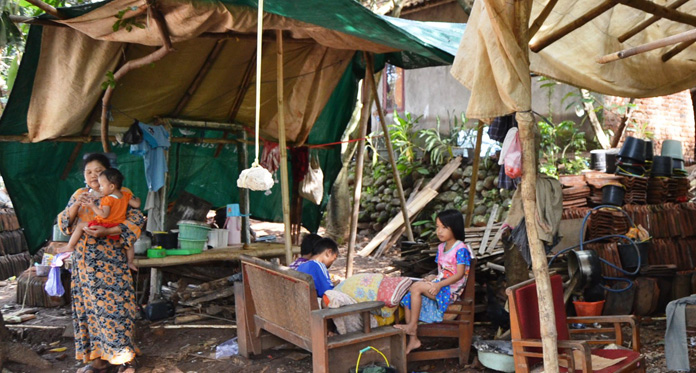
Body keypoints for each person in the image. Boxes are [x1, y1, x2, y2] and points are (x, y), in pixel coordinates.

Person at [57, 153, 145, 373]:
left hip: (111, 263)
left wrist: (108, 230)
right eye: (88, 172)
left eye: (98, 171)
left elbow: (136, 221)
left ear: (108, 174)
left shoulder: (120, 194)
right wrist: (77, 205)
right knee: (90, 313)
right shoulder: (79, 194)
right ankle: (98, 361)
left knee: (116, 310)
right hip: (84, 267)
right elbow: (64, 224)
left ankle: (125, 361)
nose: (93, 175)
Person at [395, 209, 472, 354]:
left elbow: (460, 274)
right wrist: (432, 278)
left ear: (454, 227)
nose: (439, 231)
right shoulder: (441, 247)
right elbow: (442, 271)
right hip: (440, 286)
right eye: (437, 227)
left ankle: (412, 326)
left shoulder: (461, 248)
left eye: (444, 227)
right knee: (408, 298)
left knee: (416, 287)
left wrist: (439, 284)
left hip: (450, 291)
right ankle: (414, 340)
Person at [64, 168, 141, 271]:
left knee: (81, 225)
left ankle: (70, 245)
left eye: (102, 186)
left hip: (104, 225)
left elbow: (103, 214)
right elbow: (137, 204)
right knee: (128, 243)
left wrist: (92, 206)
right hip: (118, 226)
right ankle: (130, 262)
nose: (100, 188)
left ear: (112, 186)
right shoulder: (126, 195)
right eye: (89, 172)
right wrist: (137, 199)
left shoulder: (107, 199)